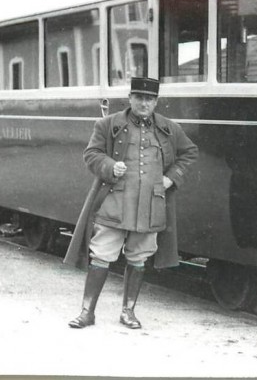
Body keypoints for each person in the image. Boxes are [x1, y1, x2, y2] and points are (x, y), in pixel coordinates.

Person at [64, 77, 198, 329]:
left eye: (149, 99)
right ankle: (86, 312)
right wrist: (110, 166)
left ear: (156, 102)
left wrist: (171, 178)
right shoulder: (107, 124)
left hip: (150, 205)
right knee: (101, 254)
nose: (144, 103)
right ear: (130, 98)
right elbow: (91, 154)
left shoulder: (169, 128)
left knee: (138, 258)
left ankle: (128, 312)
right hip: (115, 202)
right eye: (139, 97)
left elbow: (190, 153)